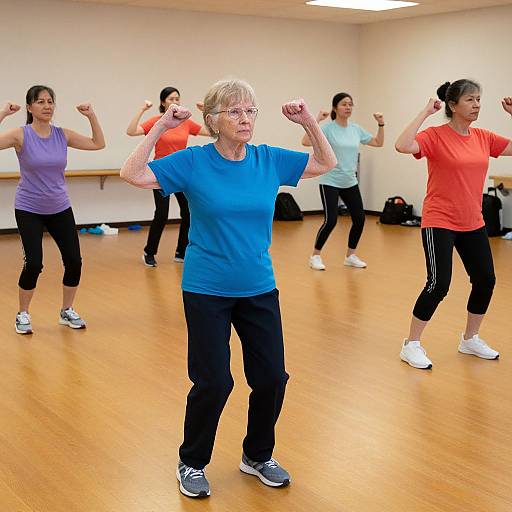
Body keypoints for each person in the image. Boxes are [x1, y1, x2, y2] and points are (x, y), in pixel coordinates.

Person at [120, 78, 336, 498]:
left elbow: (325, 163)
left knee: (273, 377)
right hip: (207, 289)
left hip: (258, 286)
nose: (245, 118)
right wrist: (161, 126)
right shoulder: (194, 161)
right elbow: (132, 173)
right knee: (215, 381)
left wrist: (309, 121)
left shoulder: (267, 159)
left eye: (250, 110)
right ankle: (192, 461)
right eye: (234, 111)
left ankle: (257, 455)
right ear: (213, 120)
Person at [395, 80, 512, 369]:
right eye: (470, 100)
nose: (477, 105)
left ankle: (470, 338)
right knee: (438, 284)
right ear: (452, 105)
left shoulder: (483, 137)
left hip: (472, 221)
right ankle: (411, 344)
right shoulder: (435, 136)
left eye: (478, 100)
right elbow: (402, 145)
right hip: (440, 220)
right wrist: (425, 112)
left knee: (486, 279)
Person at [0, 85, 105, 334]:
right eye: (40, 102)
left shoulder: (62, 134)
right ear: (29, 107)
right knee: (34, 263)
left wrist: (91, 116)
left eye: (50, 102)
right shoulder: (20, 135)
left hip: (59, 207)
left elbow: (97, 144)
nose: (47, 106)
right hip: (29, 208)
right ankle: (22, 314)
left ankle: (66, 311)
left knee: (74, 261)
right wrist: (3, 113)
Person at [126, 87, 210, 267]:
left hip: (182, 173)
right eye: (172, 99)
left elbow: (213, 132)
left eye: (178, 99)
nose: (176, 102)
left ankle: (181, 251)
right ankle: (149, 252)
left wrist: (206, 111)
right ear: (163, 102)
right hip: (161, 173)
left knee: (188, 213)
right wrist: (142, 109)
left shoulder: (186, 123)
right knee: (162, 214)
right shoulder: (158, 121)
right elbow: (131, 131)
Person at [302, 92, 384, 270]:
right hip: (330, 179)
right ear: (335, 108)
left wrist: (381, 123)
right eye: (344, 104)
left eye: (350, 104)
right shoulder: (328, 129)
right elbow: (305, 141)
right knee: (331, 220)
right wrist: (316, 119)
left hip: (349, 180)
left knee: (360, 219)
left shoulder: (355, 129)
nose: (348, 107)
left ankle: (350, 255)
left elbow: (378, 142)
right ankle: (315, 256)